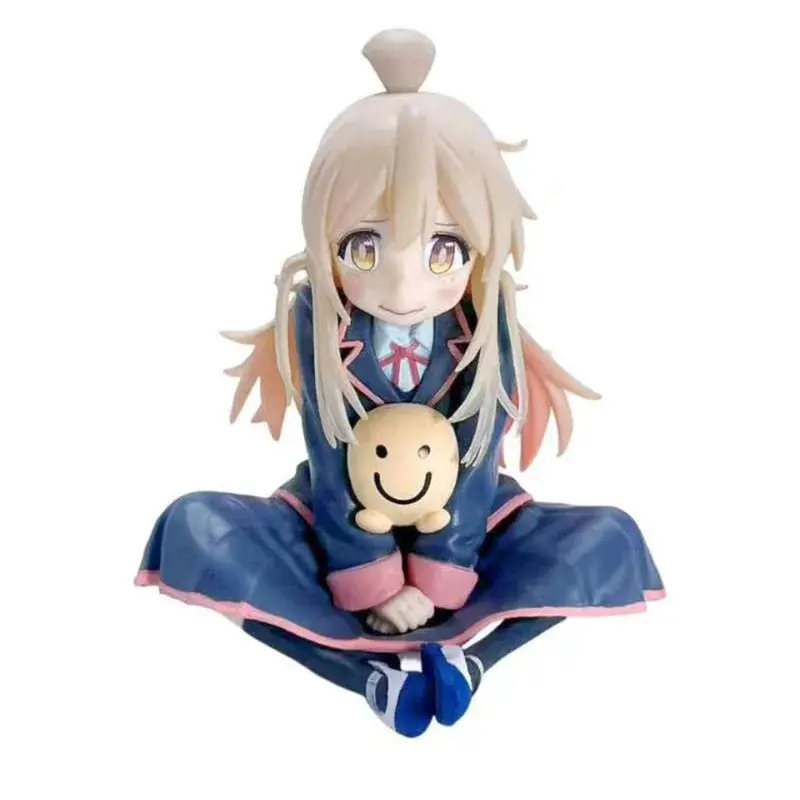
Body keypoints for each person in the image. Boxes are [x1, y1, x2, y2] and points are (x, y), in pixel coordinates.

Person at [136, 28, 665, 738]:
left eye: (444, 248)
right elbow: (329, 449)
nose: (403, 286)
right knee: (192, 528)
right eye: (364, 246)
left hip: (466, 526)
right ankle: (371, 682)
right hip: (342, 523)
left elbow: (479, 449)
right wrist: (374, 579)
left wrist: (443, 572)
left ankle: (473, 664)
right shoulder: (316, 317)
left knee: (611, 537)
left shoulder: (487, 317)